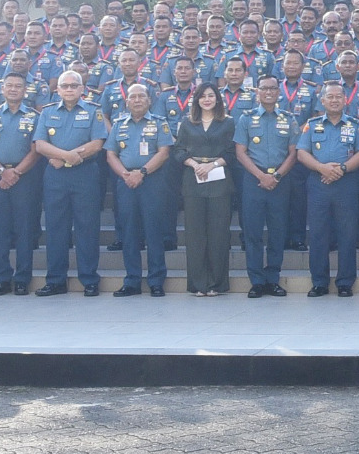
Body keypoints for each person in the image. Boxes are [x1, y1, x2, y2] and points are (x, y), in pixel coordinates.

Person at [34, 71, 109, 296]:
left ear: (81, 89)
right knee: (56, 228)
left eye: (73, 86)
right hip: (56, 176)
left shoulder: (93, 111)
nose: (69, 89)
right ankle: (56, 280)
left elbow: (97, 143)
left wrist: (66, 157)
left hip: (85, 174)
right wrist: (66, 156)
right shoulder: (47, 112)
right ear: (57, 90)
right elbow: (40, 144)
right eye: (64, 86)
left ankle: (89, 280)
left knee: (87, 227)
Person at [297, 82, 359, 297]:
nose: (335, 100)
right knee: (318, 233)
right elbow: (302, 153)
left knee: (347, 233)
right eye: (330, 97)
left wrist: (342, 169)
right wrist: (322, 168)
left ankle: (345, 282)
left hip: (346, 183)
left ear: (345, 100)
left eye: (339, 96)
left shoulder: (355, 125)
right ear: (322, 100)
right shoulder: (312, 125)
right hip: (318, 182)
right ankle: (319, 282)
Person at [105, 83, 174, 297]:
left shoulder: (160, 123)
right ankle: (132, 281)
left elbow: (164, 152)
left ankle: (156, 281)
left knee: (154, 231)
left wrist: (142, 173)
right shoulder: (118, 125)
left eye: (141, 96)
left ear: (149, 100)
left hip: (152, 181)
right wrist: (125, 174)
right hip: (126, 182)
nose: (137, 100)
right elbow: (111, 154)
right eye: (133, 97)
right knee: (129, 232)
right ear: (126, 102)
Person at [0, 72, 42, 296]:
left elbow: (36, 149)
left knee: (25, 229)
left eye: (18, 86)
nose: (13, 89)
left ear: (25, 91)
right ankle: (2, 279)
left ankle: (23, 278)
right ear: (2, 89)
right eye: (9, 86)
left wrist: (16, 172)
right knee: (0, 230)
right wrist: (2, 172)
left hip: (25, 177)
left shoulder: (34, 117)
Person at [235, 76, 299, 298]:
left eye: (273, 88)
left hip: (280, 181)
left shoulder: (289, 119)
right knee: (252, 233)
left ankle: (273, 279)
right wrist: (261, 176)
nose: (269, 92)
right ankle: (256, 282)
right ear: (257, 92)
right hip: (254, 180)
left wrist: (277, 176)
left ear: (279, 92)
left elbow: (293, 153)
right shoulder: (246, 118)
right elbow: (240, 152)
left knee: (277, 232)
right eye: (264, 88)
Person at [174, 83, 235, 296]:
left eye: (211, 95)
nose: (207, 99)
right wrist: (195, 164)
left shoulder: (228, 122)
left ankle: (217, 283)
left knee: (219, 234)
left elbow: (232, 152)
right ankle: (198, 284)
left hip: (219, 181)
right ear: (196, 100)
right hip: (193, 180)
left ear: (217, 99)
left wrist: (212, 165)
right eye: (202, 96)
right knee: (195, 235)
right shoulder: (187, 122)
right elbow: (178, 150)